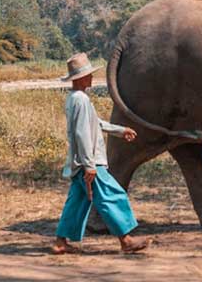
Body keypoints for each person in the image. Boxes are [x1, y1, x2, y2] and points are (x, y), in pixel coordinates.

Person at [51, 53, 150, 255]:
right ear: (79, 78)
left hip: (80, 162)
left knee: (77, 202)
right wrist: (90, 165)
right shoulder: (80, 100)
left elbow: (95, 124)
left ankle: (61, 242)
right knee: (112, 196)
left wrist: (120, 130)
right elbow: (82, 133)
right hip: (90, 161)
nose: (91, 78)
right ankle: (126, 240)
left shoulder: (75, 98)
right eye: (88, 75)